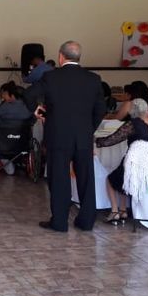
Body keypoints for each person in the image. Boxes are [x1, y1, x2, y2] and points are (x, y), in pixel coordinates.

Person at [24, 41, 106, 232]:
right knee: (86, 179)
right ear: (79, 57)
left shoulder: (51, 77)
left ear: (61, 56)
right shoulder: (93, 79)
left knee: (59, 178)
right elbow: (100, 109)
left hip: (58, 136)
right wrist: (88, 128)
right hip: (83, 137)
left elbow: (28, 95)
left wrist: (37, 111)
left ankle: (59, 222)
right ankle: (86, 221)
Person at [96, 98, 148, 224]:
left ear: (132, 112)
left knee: (111, 179)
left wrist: (96, 141)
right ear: (147, 110)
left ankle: (114, 212)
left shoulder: (132, 124)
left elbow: (112, 140)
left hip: (134, 165)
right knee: (122, 177)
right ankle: (123, 210)